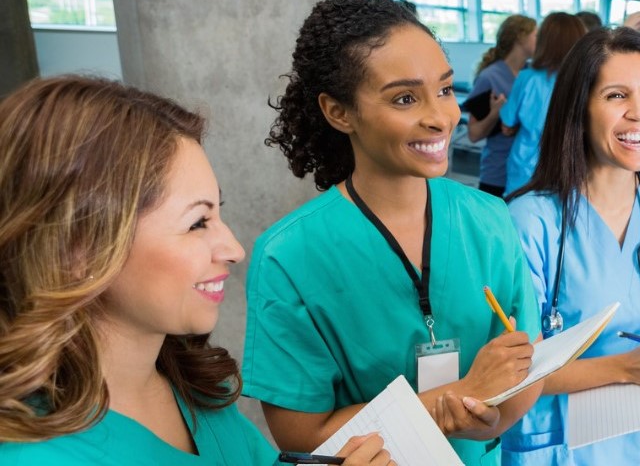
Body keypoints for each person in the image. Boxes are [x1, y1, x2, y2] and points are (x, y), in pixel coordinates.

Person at [0, 77, 390, 465]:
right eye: (197, 223)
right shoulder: (32, 455)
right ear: (78, 249)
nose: (235, 250)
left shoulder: (198, 389)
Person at [244, 0, 541, 465]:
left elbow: (527, 362)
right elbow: (301, 435)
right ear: (339, 112)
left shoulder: (491, 218)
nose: (442, 117)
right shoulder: (289, 256)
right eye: (405, 98)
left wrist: (494, 415)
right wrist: (454, 402)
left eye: (445, 89)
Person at [501, 27, 640, 465]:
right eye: (617, 96)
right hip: (555, 447)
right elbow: (513, 372)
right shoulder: (530, 221)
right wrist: (624, 367)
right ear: (580, 109)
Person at [500, 12, 588, 196]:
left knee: (517, 219)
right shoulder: (586, 82)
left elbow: (507, 126)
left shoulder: (527, 78)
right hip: (568, 170)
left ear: (544, 42)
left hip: (524, 170)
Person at [467, 14, 538, 197]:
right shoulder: (489, 77)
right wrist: (495, 113)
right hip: (497, 173)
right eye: (536, 35)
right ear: (521, 37)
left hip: (527, 172)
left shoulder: (533, 75)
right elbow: (474, 134)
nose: (540, 41)